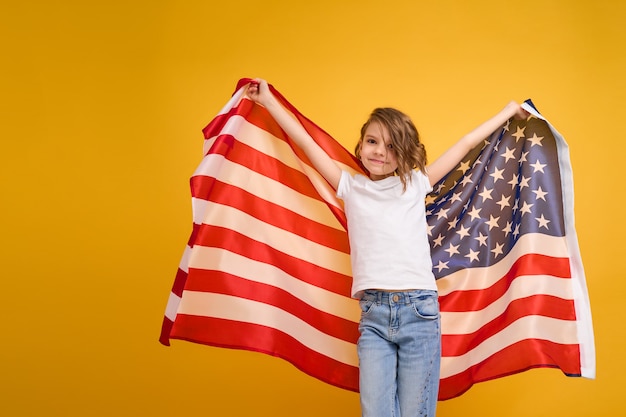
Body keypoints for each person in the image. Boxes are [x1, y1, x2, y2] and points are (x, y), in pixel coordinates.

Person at [247, 79, 527, 417]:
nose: (380, 152)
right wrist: (268, 102)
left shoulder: (416, 183)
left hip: (419, 313)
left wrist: (509, 111)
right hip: (374, 317)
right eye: (372, 141)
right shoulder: (349, 186)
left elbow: (466, 144)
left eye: (392, 147)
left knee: (415, 413)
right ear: (361, 144)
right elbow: (306, 143)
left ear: (405, 154)